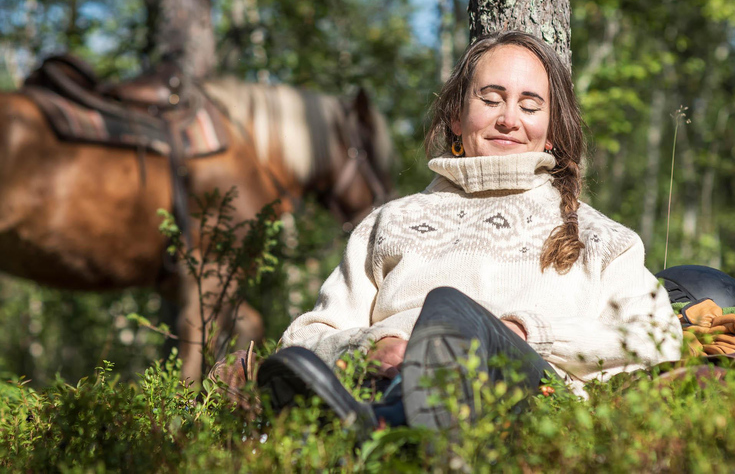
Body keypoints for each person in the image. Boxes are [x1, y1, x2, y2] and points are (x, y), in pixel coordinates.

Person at [255, 31, 684, 433]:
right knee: (299, 362)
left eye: (530, 106)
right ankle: (391, 420)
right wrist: (376, 344)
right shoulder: (388, 223)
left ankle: (377, 428)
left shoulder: (604, 240)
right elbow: (307, 335)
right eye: (491, 99)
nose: (509, 119)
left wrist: (526, 336)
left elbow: (659, 340)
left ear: (553, 130)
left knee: (450, 311)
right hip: (388, 380)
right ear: (456, 117)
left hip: (526, 408)